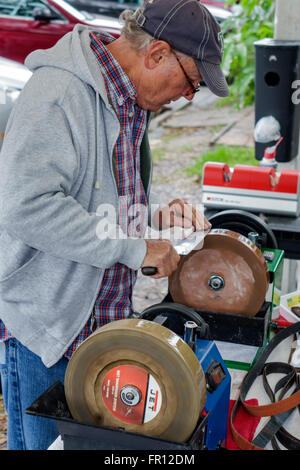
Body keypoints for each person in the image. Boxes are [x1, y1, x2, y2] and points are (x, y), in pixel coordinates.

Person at [0, 0, 229, 450]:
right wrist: (134, 249)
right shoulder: (59, 93)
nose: (187, 97)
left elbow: (95, 202)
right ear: (158, 53)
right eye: (191, 83)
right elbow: (26, 207)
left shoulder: (129, 100)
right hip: (49, 328)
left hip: (100, 323)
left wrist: (154, 217)